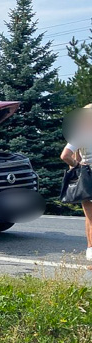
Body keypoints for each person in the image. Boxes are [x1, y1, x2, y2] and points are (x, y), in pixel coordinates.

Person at [61, 103, 92, 260]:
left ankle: (91, 252)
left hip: (89, 178)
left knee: (90, 218)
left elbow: (66, 156)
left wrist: (76, 165)